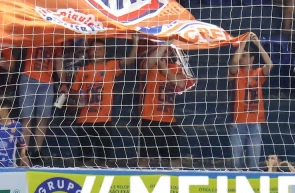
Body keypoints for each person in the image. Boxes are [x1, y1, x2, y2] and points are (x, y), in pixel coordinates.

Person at [69, 37, 138, 168]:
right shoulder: (83, 70)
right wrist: (78, 98)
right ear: (89, 52)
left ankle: (102, 177)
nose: (97, 52)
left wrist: (135, 42)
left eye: (100, 49)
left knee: (104, 158)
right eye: (94, 49)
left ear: (105, 52)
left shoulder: (110, 66)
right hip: (85, 119)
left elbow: (130, 60)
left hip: (104, 119)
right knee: (84, 158)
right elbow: (74, 91)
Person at [138, 45, 192, 169]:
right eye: (161, 51)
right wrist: (164, 44)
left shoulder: (175, 67)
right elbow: (150, 62)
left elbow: (181, 83)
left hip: (169, 120)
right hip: (149, 118)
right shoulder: (149, 65)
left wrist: (164, 68)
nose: (164, 53)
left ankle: (175, 178)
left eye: (167, 51)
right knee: (144, 158)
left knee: (175, 158)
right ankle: (142, 176)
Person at [228, 34, 274, 170]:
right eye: (241, 55)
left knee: (254, 162)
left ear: (252, 59)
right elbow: (234, 62)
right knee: (236, 162)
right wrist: (243, 42)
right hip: (239, 121)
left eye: (245, 55)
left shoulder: (258, 73)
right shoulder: (236, 73)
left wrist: (258, 44)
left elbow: (270, 64)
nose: (241, 58)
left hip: (255, 121)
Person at [18, 43, 63, 160]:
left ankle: (37, 151)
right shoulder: (33, 34)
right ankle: (24, 152)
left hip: (47, 82)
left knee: (43, 117)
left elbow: (58, 61)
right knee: (27, 117)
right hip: (29, 77)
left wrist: (63, 82)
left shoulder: (57, 40)